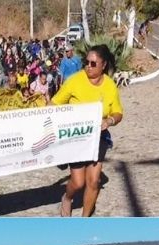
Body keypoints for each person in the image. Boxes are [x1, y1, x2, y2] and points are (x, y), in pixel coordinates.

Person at [52, 44, 123, 217]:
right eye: (86, 63)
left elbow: (118, 112)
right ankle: (67, 198)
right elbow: (54, 103)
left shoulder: (110, 86)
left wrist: (110, 120)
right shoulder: (75, 81)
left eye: (93, 64)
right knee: (77, 182)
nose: (88, 67)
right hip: (76, 138)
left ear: (103, 65)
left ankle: (85, 219)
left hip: (98, 138)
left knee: (93, 181)